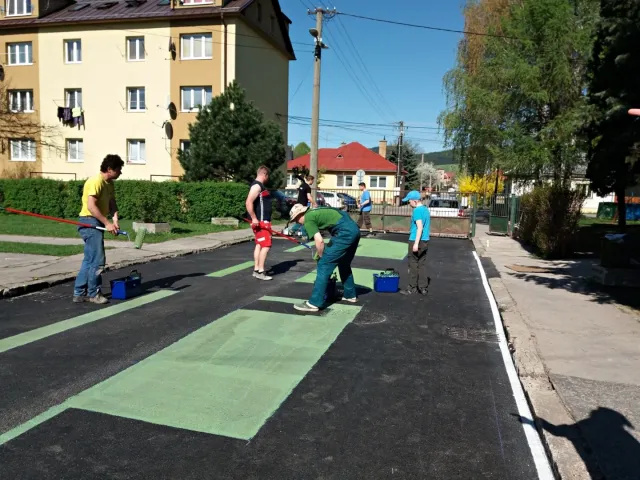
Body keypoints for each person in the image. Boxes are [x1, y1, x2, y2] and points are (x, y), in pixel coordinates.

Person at [288, 203, 361, 312]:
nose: (297, 222)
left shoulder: (308, 219)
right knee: (344, 263)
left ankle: (314, 303)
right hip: (354, 230)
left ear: (300, 214)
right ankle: (350, 295)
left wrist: (321, 255)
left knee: (324, 265)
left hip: (344, 233)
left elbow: (320, 241)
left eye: (296, 220)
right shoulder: (316, 211)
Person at [73, 154, 124, 305]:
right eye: (118, 169)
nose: (120, 172)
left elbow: (112, 203)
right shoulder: (96, 181)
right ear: (109, 169)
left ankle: (79, 293)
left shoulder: (109, 184)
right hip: (89, 221)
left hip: (96, 221)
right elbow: (91, 206)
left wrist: (115, 220)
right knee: (98, 260)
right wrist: (106, 223)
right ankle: (93, 293)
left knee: (89, 260)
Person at [245, 165, 273, 281]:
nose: (268, 178)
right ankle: (261, 271)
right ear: (264, 174)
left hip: (262, 221)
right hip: (260, 222)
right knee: (266, 245)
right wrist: (254, 218)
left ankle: (256, 270)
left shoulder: (260, 186)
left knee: (259, 245)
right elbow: (248, 202)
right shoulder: (257, 186)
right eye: (268, 176)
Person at [401, 190, 431, 296]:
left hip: (416, 240)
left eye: (409, 201)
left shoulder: (417, 211)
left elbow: (419, 227)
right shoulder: (425, 210)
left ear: (414, 201)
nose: (409, 203)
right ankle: (423, 288)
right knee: (422, 264)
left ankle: (411, 288)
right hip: (425, 240)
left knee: (413, 264)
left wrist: (416, 244)